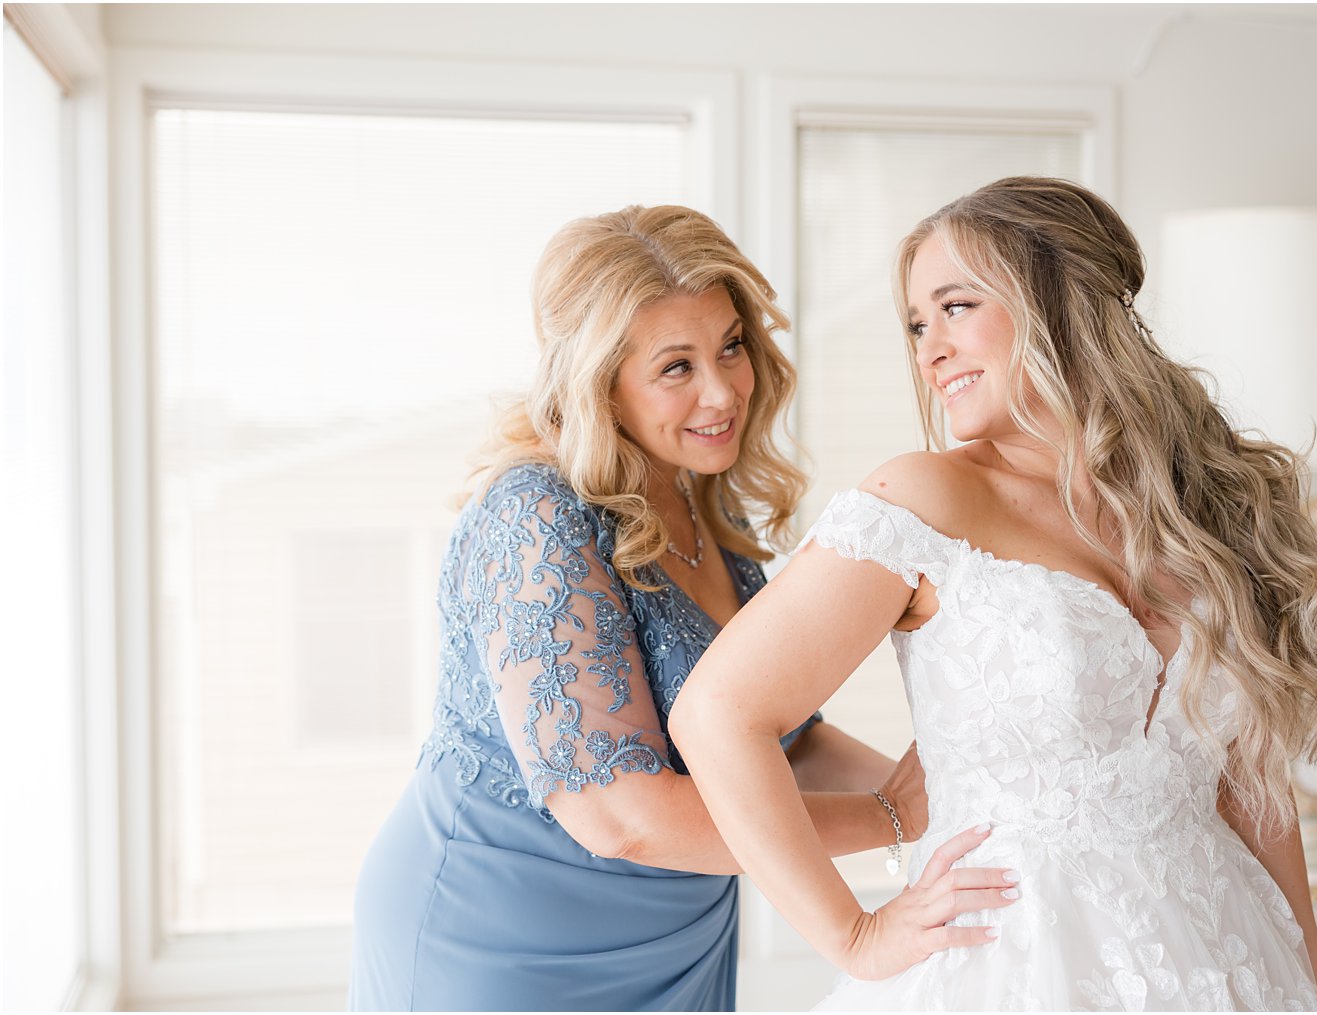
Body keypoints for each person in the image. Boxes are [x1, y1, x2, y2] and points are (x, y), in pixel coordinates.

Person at [671, 177, 1317, 1011]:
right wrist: (854, 935)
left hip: (1229, 957)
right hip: (1015, 967)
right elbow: (715, 713)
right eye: (916, 324)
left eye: (955, 306)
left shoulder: (1201, 512)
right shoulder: (925, 501)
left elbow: (1255, 790)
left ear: (1058, 304)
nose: (929, 349)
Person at [348, 205, 971, 1011]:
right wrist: (889, 815)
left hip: (678, 938)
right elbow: (621, 814)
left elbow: (785, 742)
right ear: (600, 381)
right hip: (501, 941)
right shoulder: (533, 517)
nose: (723, 391)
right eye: (676, 367)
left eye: (731, 347)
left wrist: (951, 786)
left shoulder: (701, 498)